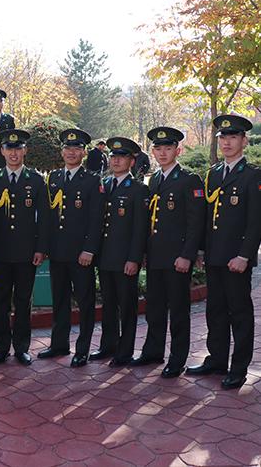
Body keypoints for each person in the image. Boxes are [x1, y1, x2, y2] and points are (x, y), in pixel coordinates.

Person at [186, 114, 261, 390]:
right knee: (214, 310)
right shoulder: (214, 174)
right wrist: (203, 250)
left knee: (239, 313)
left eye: (232, 137)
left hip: (236, 259)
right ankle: (217, 359)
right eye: (223, 138)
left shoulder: (253, 176)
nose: (227, 142)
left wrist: (245, 255)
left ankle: (238, 368)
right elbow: (208, 217)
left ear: (244, 140)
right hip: (215, 256)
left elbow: (256, 222)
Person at [132, 127, 205, 378]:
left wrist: (187, 254)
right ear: (152, 151)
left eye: (168, 148)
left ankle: (177, 358)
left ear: (178, 150)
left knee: (178, 310)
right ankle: (153, 351)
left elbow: (196, 222)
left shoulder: (189, 179)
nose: (162, 153)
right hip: (155, 256)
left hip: (177, 259)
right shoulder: (154, 180)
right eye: (158, 149)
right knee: (154, 308)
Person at [0, 129, 48, 366]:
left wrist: (40, 248)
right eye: (9, 148)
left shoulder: (36, 179)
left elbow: (44, 218)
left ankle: (21, 347)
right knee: (1, 301)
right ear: (1, 151)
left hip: (26, 252)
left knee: (23, 301)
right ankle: (1, 347)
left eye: (18, 148)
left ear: (25, 151)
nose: (14, 153)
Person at [38, 129, 102, 368]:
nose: (71, 152)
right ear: (62, 151)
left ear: (83, 153)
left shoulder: (92, 180)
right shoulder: (53, 178)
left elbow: (96, 219)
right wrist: (44, 248)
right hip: (57, 253)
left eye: (76, 149)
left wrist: (89, 249)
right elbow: (47, 217)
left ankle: (82, 349)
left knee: (85, 303)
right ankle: (59, 344)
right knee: (60, 300)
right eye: (67, 148)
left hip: (81, 255)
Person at [90, 137, 148, 367]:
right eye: (113, 157)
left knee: (127, 307)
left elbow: (140, 229)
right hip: (105, 258)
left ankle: (124, 351)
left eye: (121, 157)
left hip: (125, 259)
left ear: (131, 162)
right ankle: (108, 345)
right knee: (108, 305)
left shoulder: (138, 189)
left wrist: (134, 258)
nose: (116, 161)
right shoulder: (104, 185)